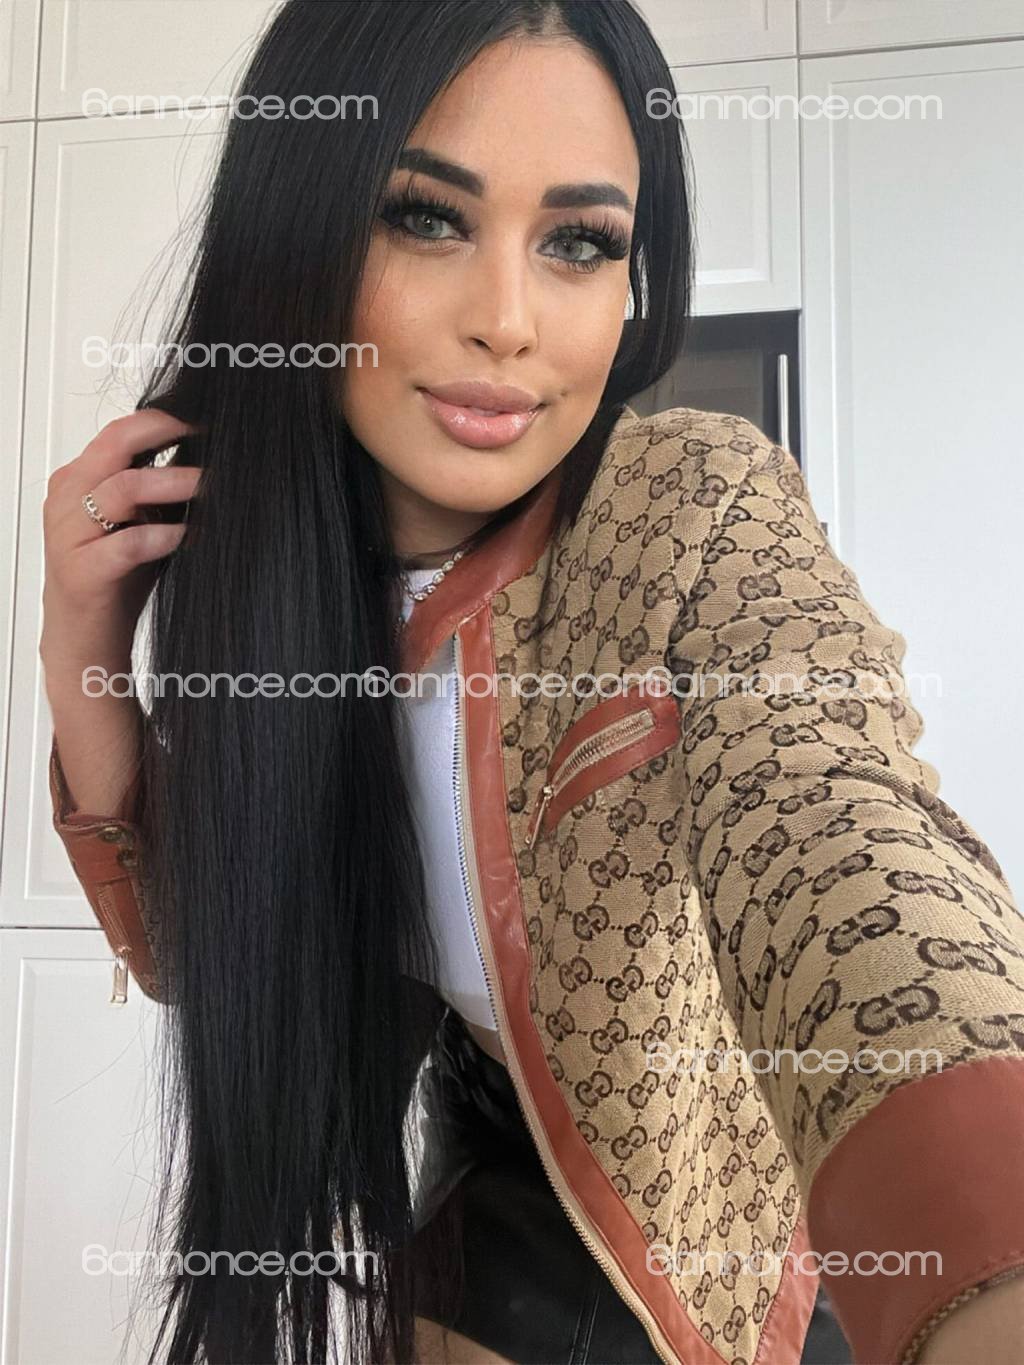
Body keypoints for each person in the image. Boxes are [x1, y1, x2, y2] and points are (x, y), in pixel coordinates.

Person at [40, 3, 1024, 1363]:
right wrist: (81, 656)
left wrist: (986, 1229)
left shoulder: (691, 506)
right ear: (293, 235)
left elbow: (837, 832)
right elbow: (207, 956)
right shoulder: (277, 584)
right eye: (425, 218)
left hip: (741, 1237)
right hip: (490, 1186)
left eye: (579, 242)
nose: (508, 322)